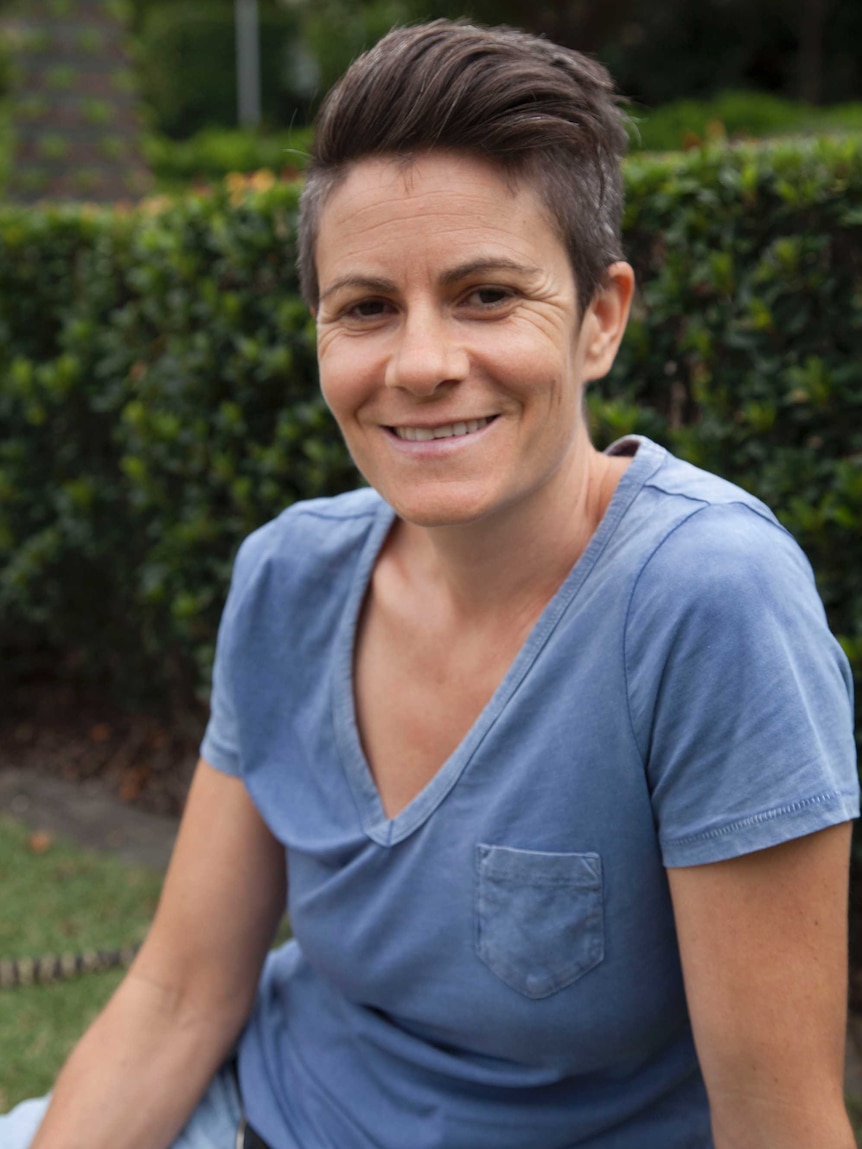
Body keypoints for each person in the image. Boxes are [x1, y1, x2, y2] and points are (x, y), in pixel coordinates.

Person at [3, 18, 858, 1149]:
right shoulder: (286, 577)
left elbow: (774, 1123)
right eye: (365, 307)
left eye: (487, 295)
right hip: (256, 1110)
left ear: (599, 320)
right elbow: (178, 996)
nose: (418, 364)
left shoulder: (706, 602)